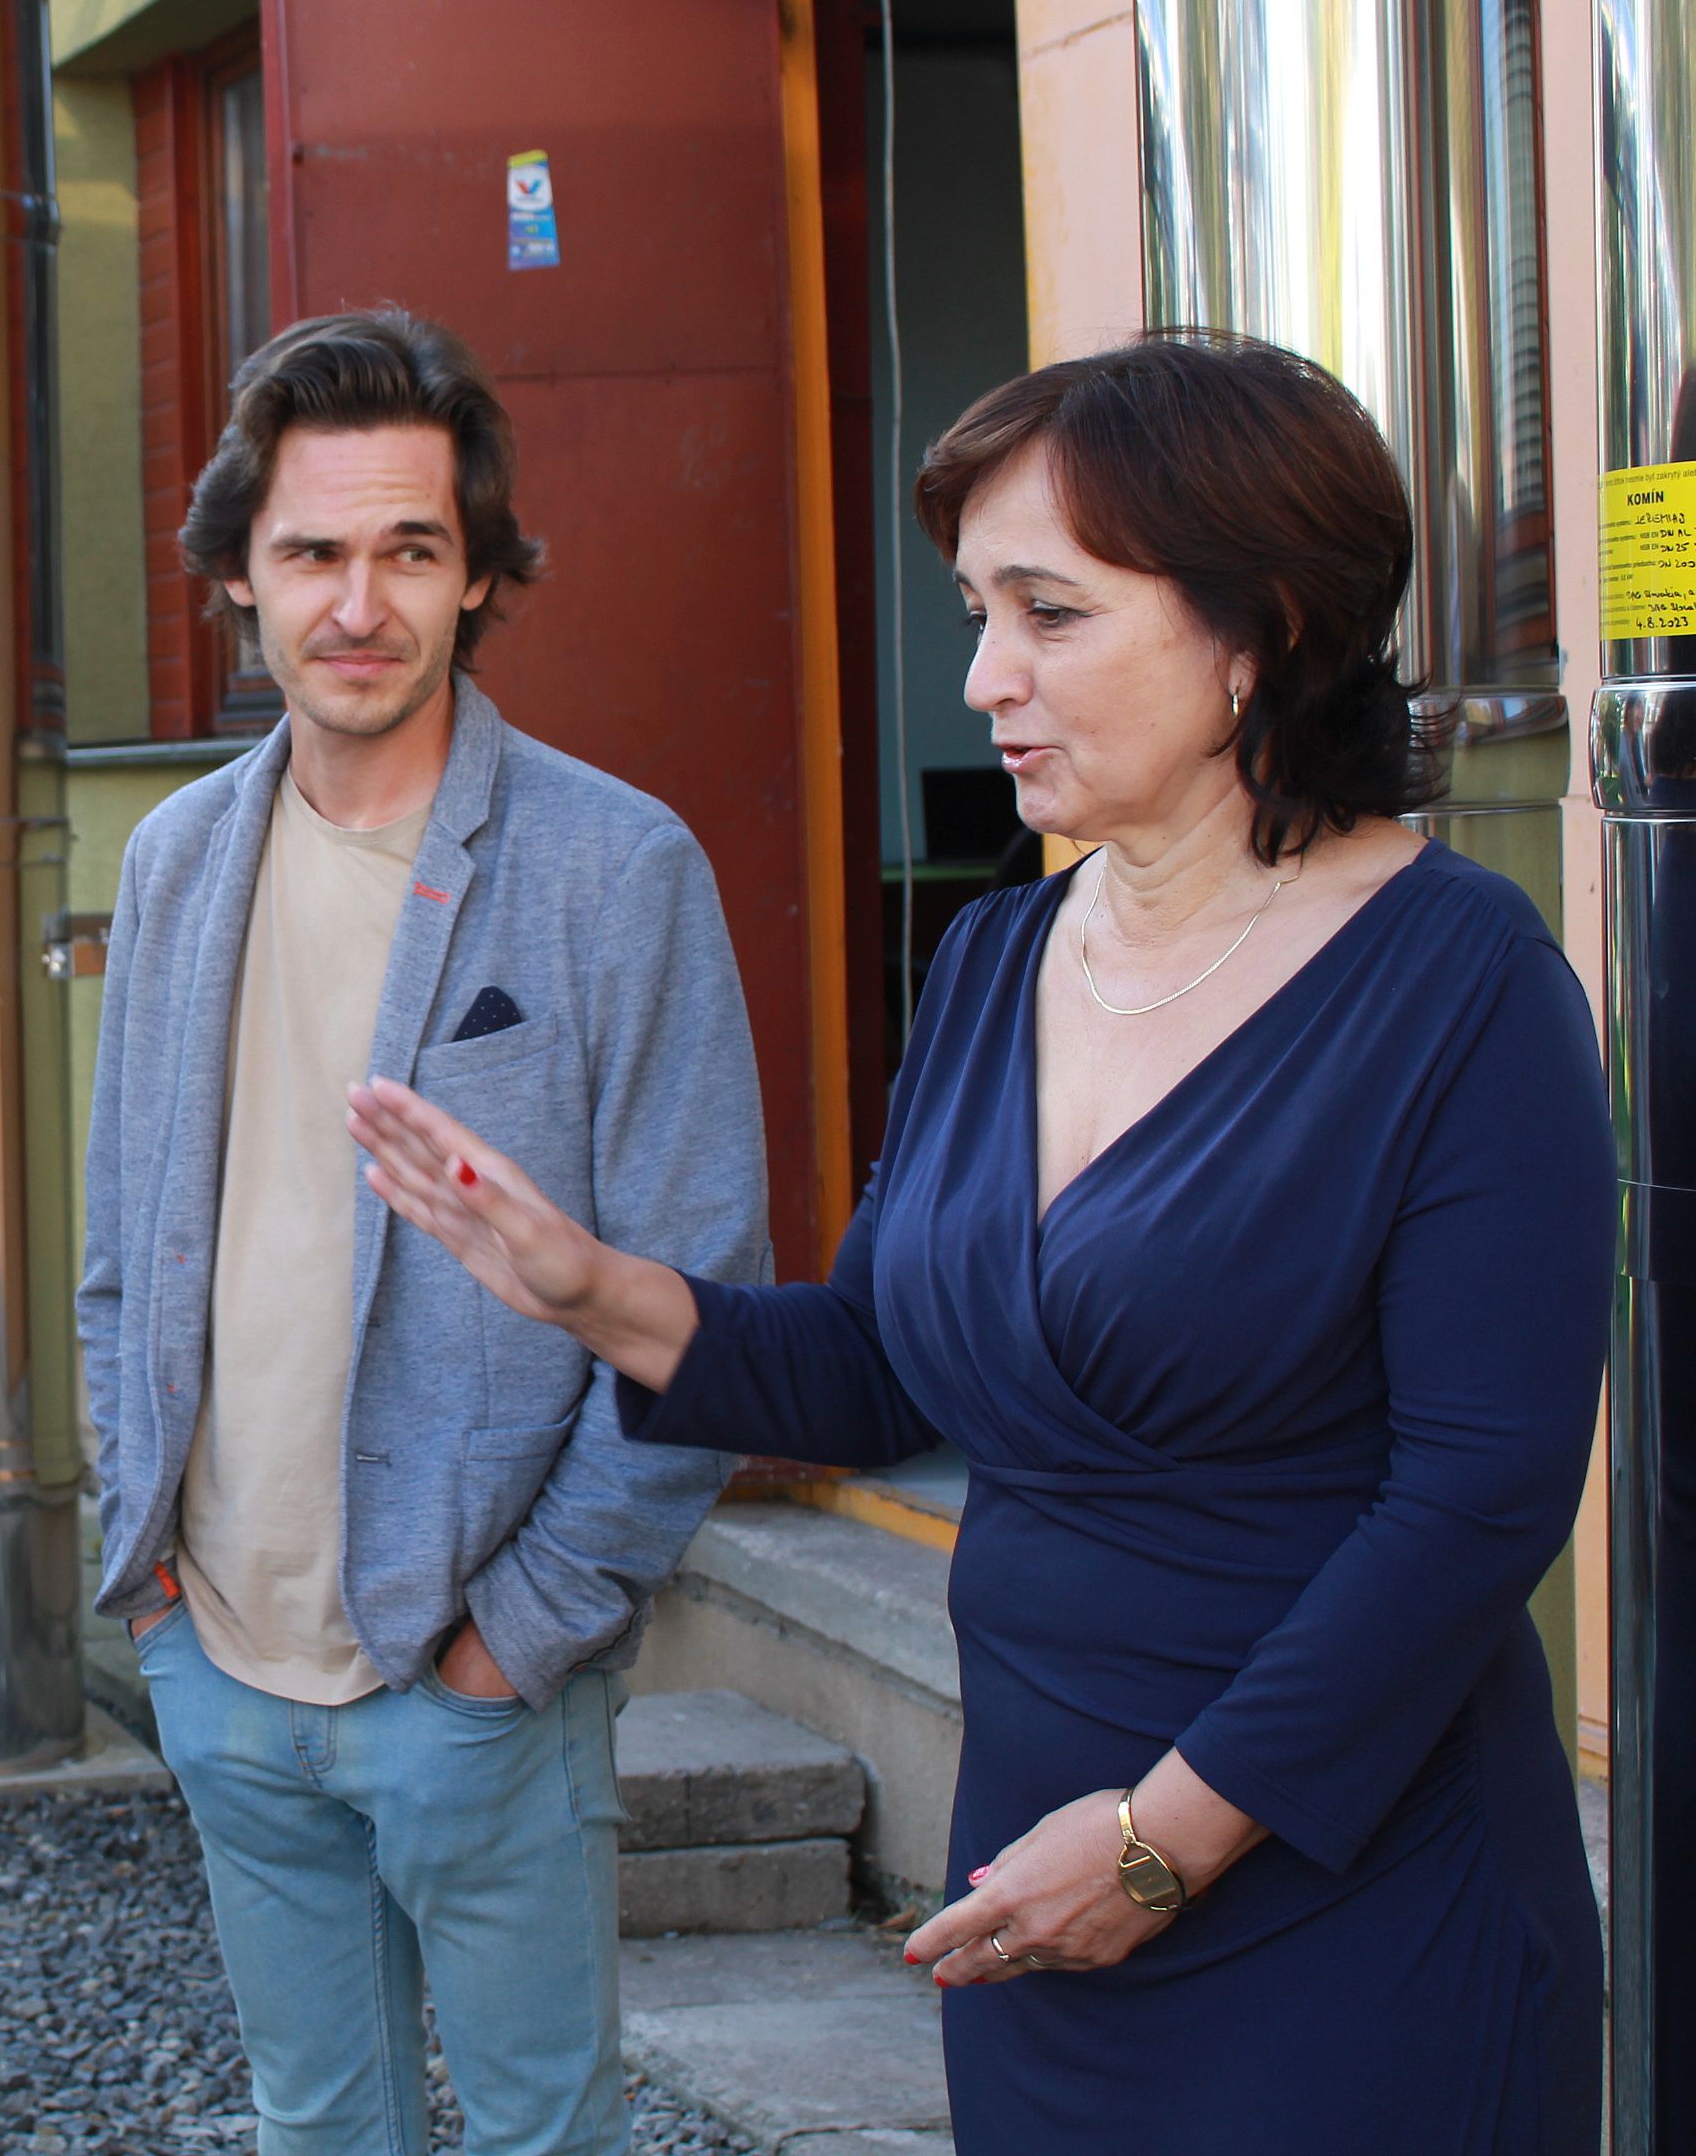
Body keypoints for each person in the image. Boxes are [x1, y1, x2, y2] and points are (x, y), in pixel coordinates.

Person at [346, 331, 1609, 2153]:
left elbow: (1480, 1500)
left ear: (1258, 631)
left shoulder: (1464, 981)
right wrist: (589, 1286)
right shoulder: (999, 954)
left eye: (1051, 613)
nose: (985, 676)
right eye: (978, 613)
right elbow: (884, 1368)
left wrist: (1165, 1842)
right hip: (1038, 1886)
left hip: (1350, 1889)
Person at [81, 307, 768, 2156]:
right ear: (240, 574)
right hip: (221, 1656)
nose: (359, 604)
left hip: (476, 1679)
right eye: (312, 552)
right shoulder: (176, 861)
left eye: (410, 550)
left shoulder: (616, 870)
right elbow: (124, 1249)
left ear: (478, 577)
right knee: (316, 2125)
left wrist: (518, 1640)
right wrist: (151, 1580)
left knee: (548, 2135)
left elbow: (704, 1309)